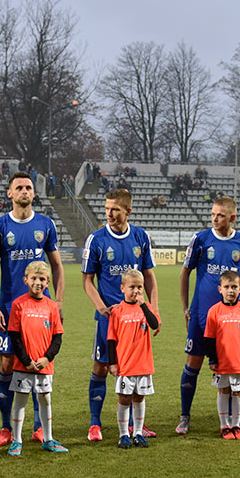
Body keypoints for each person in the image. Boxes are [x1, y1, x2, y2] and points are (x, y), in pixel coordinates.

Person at [0, 172, 64, 449]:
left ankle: (40, 429)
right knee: (7, 365)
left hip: (40, 311)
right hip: (9, 308)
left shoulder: (46, 224)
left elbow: (57, 267)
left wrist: (59, 302)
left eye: (28, 187)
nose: (25, 191)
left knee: (41, 362)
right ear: (10, 194)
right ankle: (7, 428)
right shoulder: (0, 226)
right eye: (19, 187)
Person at [81, 189, 158, 442]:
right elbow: (87, 281)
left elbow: (149, 277)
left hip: (137, 320)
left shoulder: (140, 237)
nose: (109, 213)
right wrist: (102, 308)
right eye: (107, 208)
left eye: (115, 209)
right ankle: (94, 423)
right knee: (102, 366)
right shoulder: (97, 239)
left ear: (128, 211)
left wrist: (153, 308)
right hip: (110, 318)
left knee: (136, 369)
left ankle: (138, 426)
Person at [177, 196, 240, 435]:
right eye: (212, 214)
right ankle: (185, 416)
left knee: (239, 365)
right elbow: (185, 273)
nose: (214, 218)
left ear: (232, 218)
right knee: (194, 364)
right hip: (202, 315)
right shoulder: (201, 239)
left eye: (220, 215)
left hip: (232, 319)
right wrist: (185, 307)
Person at [6, 261, 67, 454]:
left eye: (42, 279)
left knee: (45, 399)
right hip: (23, 365)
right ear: (26, 280)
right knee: (21, 400)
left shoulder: (52, 306)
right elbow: (14, 337)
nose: (37, 282)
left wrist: (46, 359)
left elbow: (57, 337)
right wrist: (26, 361)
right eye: (34, 278)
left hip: (44, 365)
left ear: (48, 282)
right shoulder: (18, 304)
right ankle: (17, 440)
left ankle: (48, 439)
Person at [107, 269, 161, 449]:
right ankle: (123, 434)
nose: (136, 291)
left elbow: (154, 325)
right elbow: (111, 339)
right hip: (125, 365)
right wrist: (113, 363)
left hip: (143, 364)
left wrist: (144, 304)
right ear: (122, 288)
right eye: (132, 287)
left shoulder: (146, 308)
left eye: (139, 287)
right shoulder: (117, 311)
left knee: (140, 398)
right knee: (124, 399)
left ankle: (138, 432)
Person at [203, 270, 240, 440]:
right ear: (220, 289)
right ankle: (224, 425)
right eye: (227, 287)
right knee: (223, 391)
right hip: (222, 362)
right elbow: (209, 338)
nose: (231, 291)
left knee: (238, 392)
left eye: (234, 287)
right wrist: (212, 359)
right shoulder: (214, 311)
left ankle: (236, 425)